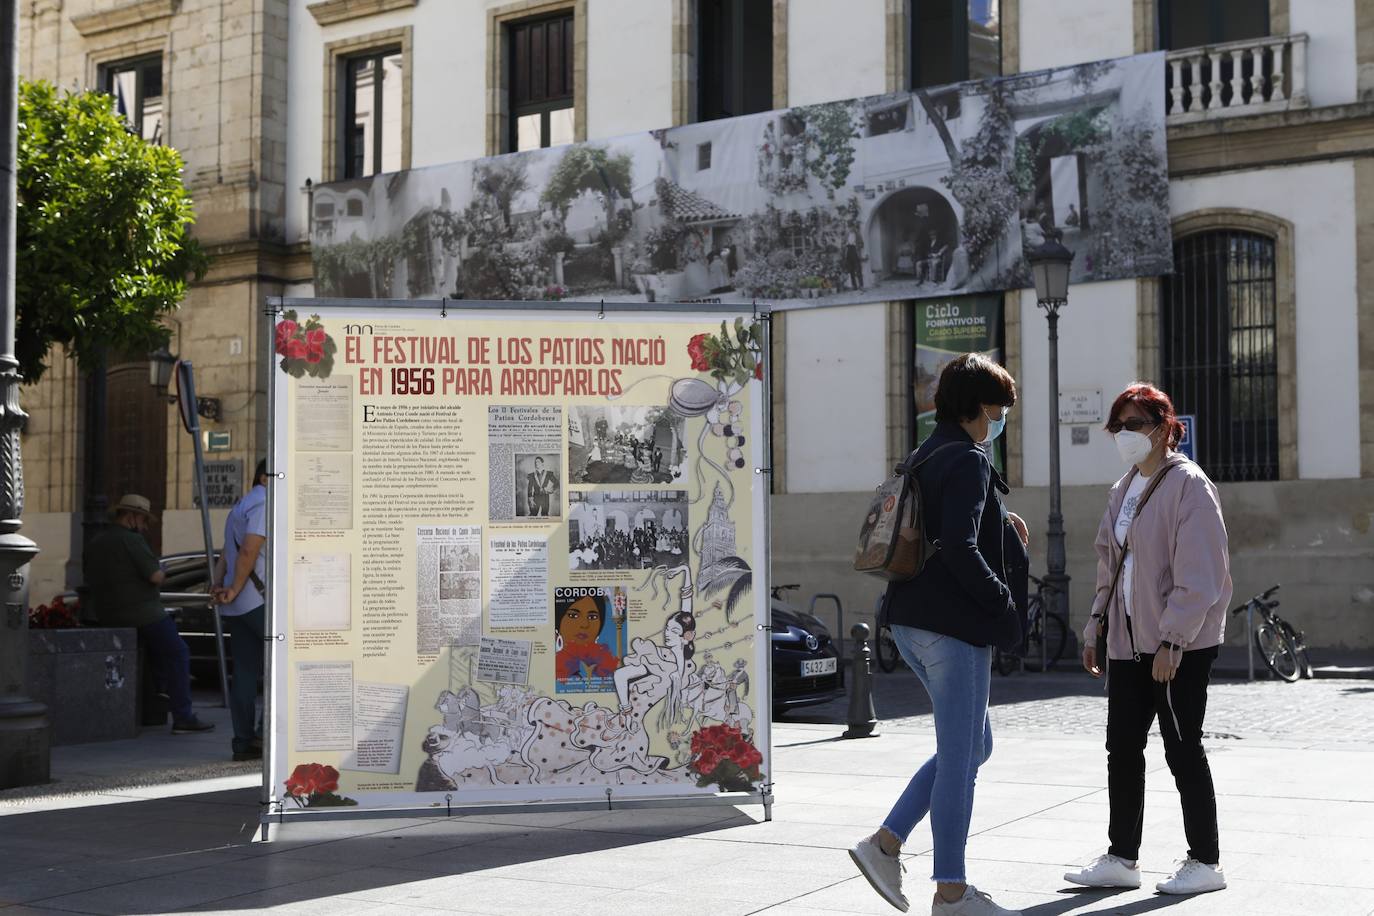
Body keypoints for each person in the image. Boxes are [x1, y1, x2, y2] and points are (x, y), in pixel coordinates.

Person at [848, 353, 1027, 916]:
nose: (1001, 417)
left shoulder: (926, 453)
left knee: (975, 746)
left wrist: (1001, 522)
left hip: (907, 617)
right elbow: (957, 546)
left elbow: (944, 528)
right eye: (999, 406)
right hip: (951, 627)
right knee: (959, 757)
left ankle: (885, 844)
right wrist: (1002, 602)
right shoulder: (970, 460)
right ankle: (950, 891)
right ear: (979, 407)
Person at [1064, 384, 1232, 897]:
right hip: (1128, 643)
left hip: (1177, 647)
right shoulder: (1122, 490)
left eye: (1133, 425)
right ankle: (1122, 857)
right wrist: (1096, 624)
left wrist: (1174, 642)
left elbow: (1201, 574)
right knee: (1122, 749)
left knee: (1183, 751)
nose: (1123, 436)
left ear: (1162, 428)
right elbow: (1108, 565)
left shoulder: (1189, 486)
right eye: (1118, 427)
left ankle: (1206, 861)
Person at [87, 494, 215, 735]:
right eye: (143, 520)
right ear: (132, 517)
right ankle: (183, 716)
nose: (145, 526)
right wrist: (162, 570)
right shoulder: (132, 540)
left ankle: (152, 707)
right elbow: (155, 576)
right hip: (143, 613)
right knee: (178, 653)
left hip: (107, 613)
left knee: (154, 660)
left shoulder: (98, 541)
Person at [213, 459, 269, 761]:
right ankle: (263, 735)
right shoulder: (263, 503)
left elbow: (226, 551)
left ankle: (243, 743)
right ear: (264, 476)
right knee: (282, 666)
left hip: (238, 605)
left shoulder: (240, 506)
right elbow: (248, 549)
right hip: (257, 599)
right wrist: (233, 587)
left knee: (245, 672)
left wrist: (219, 584)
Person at [555, 593, 620, 683]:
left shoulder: (610, 670)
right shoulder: (549, 667)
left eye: (592, 617)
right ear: (558, 622)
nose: (585, 624)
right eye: (573, 616)